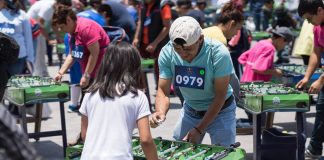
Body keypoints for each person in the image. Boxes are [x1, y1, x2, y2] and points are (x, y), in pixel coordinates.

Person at [150, 16, 236, 147]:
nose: (183, 55)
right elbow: (162, 90)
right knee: (177, 151)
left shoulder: (218, 53)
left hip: (221, 111)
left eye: (188, 49)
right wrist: (160, 111)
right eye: (178, 49)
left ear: (200, 39)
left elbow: (220, 96)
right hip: (191, 110)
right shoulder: (167, 52)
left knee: (223, 153)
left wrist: (199, 129)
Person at [79, 42, 158, 160]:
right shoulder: (138, 96)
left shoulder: (89, 94)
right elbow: (146, 140)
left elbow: (84, 135)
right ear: (134, 66)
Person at [52, 4, 109, 105]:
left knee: (96, 106)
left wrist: (86, 76)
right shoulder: (71, 32)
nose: (60, 30)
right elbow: (72, 54)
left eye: (61, 27)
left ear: (68, 20)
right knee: (86, 108)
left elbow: (94, 53)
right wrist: (60, 73)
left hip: (102, 72)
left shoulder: (86, 28)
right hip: (89, 71)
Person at [296, 0, 324, 159]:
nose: (308, 22)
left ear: (319, 10)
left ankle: (314, 149)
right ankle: (314, 149)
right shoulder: (317, 28)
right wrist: (307, 77)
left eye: (309, 18)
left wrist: (320, 80)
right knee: (321, 109)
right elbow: (316, 52)